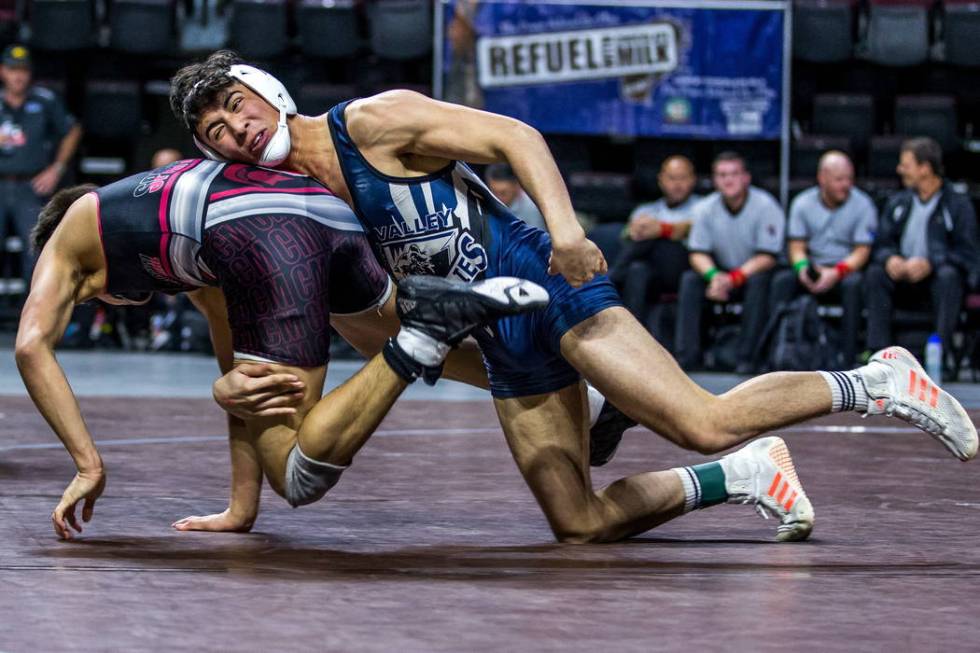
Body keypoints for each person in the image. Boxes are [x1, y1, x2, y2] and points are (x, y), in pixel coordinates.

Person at [170, 52, 977, 544]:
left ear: (266, 92)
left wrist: (561, 230)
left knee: (698, 418)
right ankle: (746, 475)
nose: (233, 130)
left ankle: (877, 381)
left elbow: (516, 137)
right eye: (213, 134)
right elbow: (373, 315)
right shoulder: (308, 205)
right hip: (502, 333)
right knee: (578, 523)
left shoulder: (372, 123)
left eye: (234, 108)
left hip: (547, 281)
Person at [17, 158, 547, 539]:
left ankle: (421, 332)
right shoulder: (174, 243)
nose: (131, 299)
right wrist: (240, 509)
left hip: (261, 230)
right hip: (323, 212)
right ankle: (585, 396)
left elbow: (30, 347)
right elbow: (242, 372)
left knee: (297, 472)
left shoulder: (71, 234)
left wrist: (88, 466)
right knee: (367, 335)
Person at [864, 137, 980, 375]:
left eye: (905, 165)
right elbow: (880, 244)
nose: (899, 170)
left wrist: (931, 263)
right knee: (875, 273)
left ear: (925, 168)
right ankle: (880, 358)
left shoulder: (958, 205)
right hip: (902, 278)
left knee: (949, 276)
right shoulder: (898, 202)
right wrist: (890, 258)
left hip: (937, 282)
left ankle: (941, 354)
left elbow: (969, 255)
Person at [676, 152, 784, 374]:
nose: (728, 180)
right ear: (715, 180)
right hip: (721, 273)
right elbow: (697, 252)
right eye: (722, 175)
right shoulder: (704, 208)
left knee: (760, 282)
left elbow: (768, 256)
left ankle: (747, 358)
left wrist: (734, 278)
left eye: (734, 174)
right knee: (690, 280)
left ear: (746, 178)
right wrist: (714, 277)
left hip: (752, 273)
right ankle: (687, 357)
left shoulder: (766, 205)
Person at [769, 151, 877, 368]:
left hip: (845, 270)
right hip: (813, 267)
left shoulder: (863, 204)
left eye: (849, 178)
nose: (846, 184)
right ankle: (775, 352)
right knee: (782, 280)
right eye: (839, 179)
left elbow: (862, 251)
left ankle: (847, 359)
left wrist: (836, 272)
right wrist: (802, 268)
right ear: (822, 178)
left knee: (854, 285)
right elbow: (796, 246)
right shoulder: (802, 203)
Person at [0, 43, 81, 289]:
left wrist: (56, 168)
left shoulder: (45, 100)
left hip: (30, 186)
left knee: (36, 254)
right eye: (13, 69)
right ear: (2, 71)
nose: (18, 75)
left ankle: (32, 318)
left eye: (23, 70)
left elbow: (72, 130)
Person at [608, 155, 700, 337]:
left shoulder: (703, 207)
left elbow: (689, 228)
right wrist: (632, 231)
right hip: (653, 275)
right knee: (637, 269)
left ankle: (609, 280)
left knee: (651, 240)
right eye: (672, 178)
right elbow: (626, 236)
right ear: (661, 180)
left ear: (693, 180)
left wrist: (661, 229)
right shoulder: (646, 210)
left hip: (684, 269)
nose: (677, 184)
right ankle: (633, 338)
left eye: (683, 178)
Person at [484, 162, 546, 230]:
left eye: (503, 193)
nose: (497, 198)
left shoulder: (532, 208)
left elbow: (536, 239)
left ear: (517, 186)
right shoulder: (485, 201)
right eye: (493, 192)